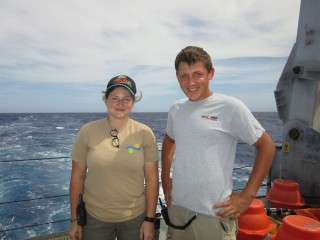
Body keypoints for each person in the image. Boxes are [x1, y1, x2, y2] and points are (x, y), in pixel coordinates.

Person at [161, 46, 276, 240]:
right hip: (178, 208)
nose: (190, 82)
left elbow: (267, 147)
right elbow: (169, 140)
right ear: (177, 77)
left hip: (213, 213)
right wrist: (165, 178)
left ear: (211, 73)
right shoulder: (176, 109)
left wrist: (247, 196)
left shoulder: (230, 107)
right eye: (184, 76)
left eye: (197, 74)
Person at [69, 75, 159, 240]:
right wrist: (75, 219)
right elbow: (77, 177)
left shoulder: (145, 133)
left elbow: (152, 179)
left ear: (133, 102)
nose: (120, 103)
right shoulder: (87, 131)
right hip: (94, 219)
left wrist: (149, 219)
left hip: (136, 218)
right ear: (105, 100)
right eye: (115, 98)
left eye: (126, 98)